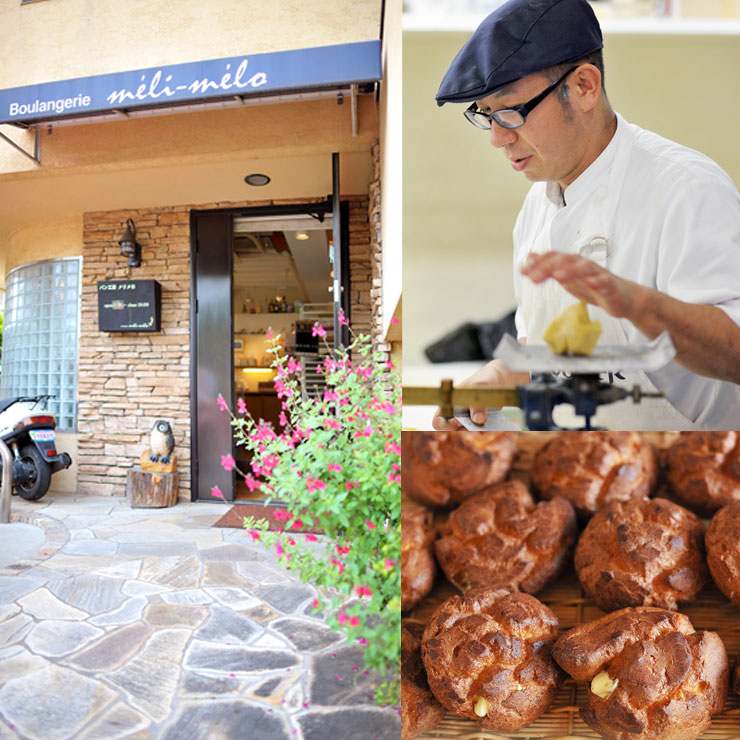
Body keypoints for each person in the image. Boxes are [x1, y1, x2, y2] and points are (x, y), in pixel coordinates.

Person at [431, 0, 740, 431]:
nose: (498, 139)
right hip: (579, 469)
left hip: (696, 477)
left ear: (584, 87)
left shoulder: (687, 190)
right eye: (486, 116)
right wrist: (503, 373)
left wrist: (638, 305)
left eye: (509, 111)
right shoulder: (536, 207)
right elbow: (544, 346)